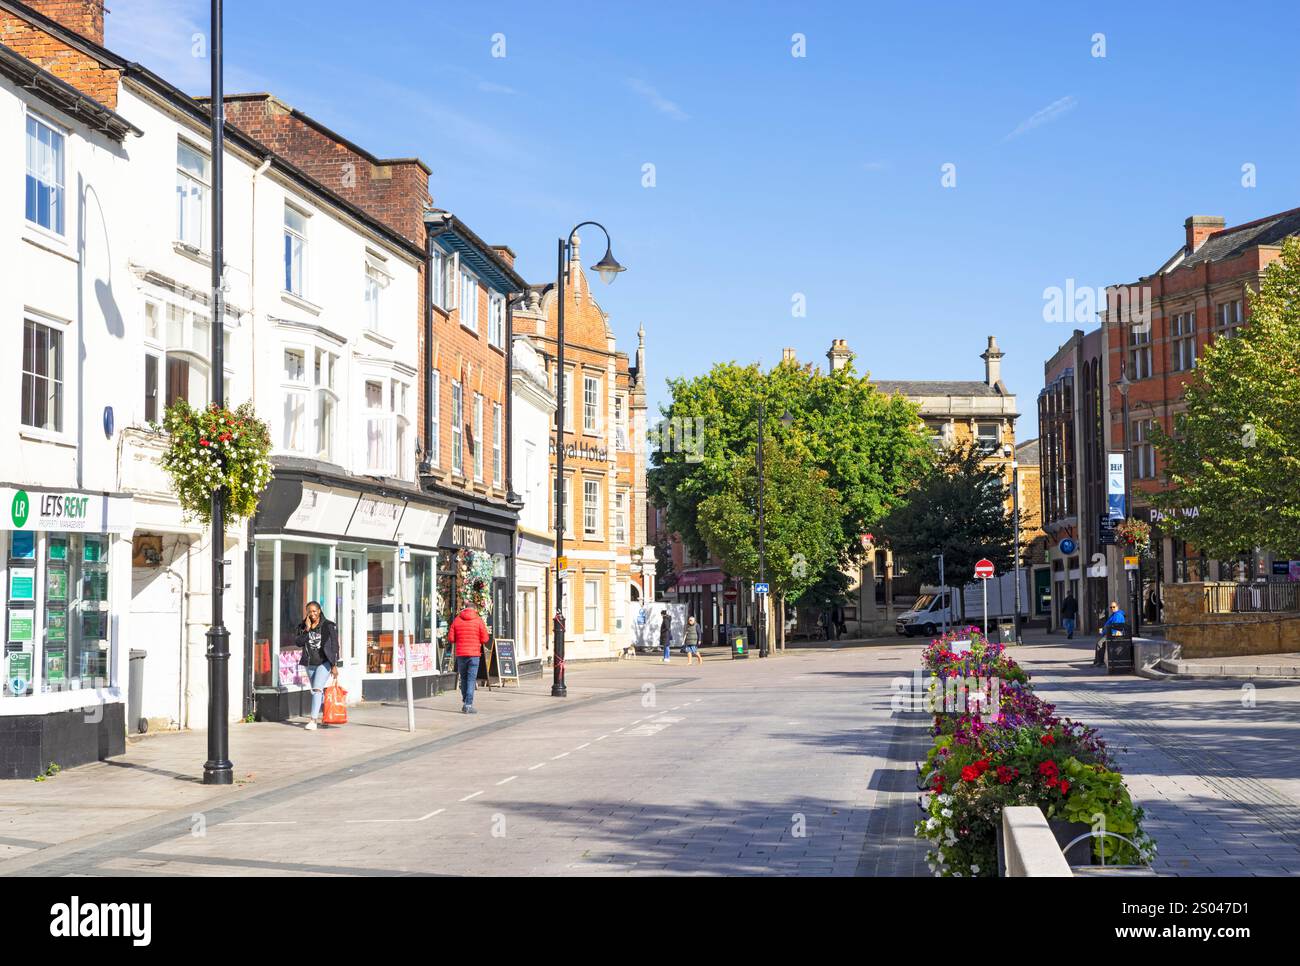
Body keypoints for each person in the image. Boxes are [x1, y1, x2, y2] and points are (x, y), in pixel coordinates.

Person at [295, 601, 340, 731]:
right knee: (317, 691)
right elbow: (298, 642)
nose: (312, 614)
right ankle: (325, 716)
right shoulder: (303, 626)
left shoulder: (328, 625)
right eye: (310, 611)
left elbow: (334, 646)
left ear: (319, 611)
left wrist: (334, 665)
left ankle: (313, 720)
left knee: (317, 690)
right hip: (310, 664)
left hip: (324, 662)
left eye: (315, 611)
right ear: (307, 613)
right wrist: (307, 630)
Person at [448, 604, 490, 713]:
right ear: (474, 609)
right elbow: (485, 639)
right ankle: (468, 704)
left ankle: (465, 700)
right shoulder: (479, 620)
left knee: (464, 678)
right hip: (474, 655)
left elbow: (451, 638)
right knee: (471, 679)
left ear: (464, 608)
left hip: (461, 654)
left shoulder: (456, 620)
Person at [1095, 600, 1127, 667]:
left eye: (1114, 607)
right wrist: (1103, 630)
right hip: (1110, 633)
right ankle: (1098, 661)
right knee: (1099, 643)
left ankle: (1100, 662)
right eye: (1111, 607)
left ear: (1117, 607)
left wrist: (1104, 632)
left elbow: (1114, 627)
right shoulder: (1114, 614)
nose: (1112, 608)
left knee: (1099, 643)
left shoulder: (1118, 615)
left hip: (1113, 634)